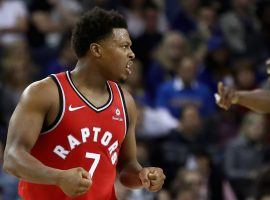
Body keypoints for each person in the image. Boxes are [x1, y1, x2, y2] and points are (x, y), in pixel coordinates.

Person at [3, 7, 165, 199]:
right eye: (124, 46)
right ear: (97, 50)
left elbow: (126, 167)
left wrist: (143, 176)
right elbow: (12, 158)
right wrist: (58, 177)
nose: (131, 54)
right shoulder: (46, 92)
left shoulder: (125, 101)